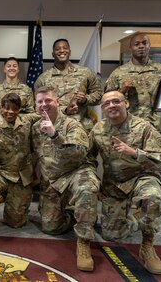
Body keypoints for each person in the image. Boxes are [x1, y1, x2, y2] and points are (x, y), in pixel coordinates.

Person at [90, 90, 161, 275]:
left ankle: (147, 245)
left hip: (141, 178)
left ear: (126, 103)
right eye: (106, 104)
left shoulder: (144, 127)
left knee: (153, 197)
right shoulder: (98, 130)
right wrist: (94, 180)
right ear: (102, 108)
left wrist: (135, 153)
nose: (111, 106)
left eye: (115, 101)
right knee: (112, 236)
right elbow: (88, 159)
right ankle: (135, 218)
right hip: (114, 185)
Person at [31, 86, 100, 272]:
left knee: (86, 190)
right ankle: (76, 214)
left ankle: (84, 241)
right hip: (52, 180)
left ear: (58, 103)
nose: (44, 105)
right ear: (35, 105)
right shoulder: (35, 128)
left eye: (48, 101)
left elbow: (79, 153)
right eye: (40, 102)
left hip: (75, 172)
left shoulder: (71, 124)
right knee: (50, 227)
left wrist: (55, 135)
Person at [0, 93, 39, 238]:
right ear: (1, 108)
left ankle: (5, 197)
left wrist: (68, 109)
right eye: (7, 108)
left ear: (19, 109)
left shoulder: (27, 121)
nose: (10, 112)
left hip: (21, 177)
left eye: (14, 108)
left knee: (15, 222)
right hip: (1, 174)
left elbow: (46, 113)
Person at [35, 39, 102, 132]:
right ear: (53, 54)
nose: (62, 51)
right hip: (54, 127)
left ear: (70, 52)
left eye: (65, 48)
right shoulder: (43, 79)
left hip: (81, 126)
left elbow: (99, 94)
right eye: (58, 49)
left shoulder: (85, 73)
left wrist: (85, 99)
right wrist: (65, 110)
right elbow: (38, 106)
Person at [105, 33, 161, 130]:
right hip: (127, 125)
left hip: (153, 125)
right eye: (137, 44)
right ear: (130, 48)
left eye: (144, 43)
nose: (141, 46)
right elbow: (106, 100)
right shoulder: (118, 73)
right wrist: (121, 91)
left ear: (149, 45)